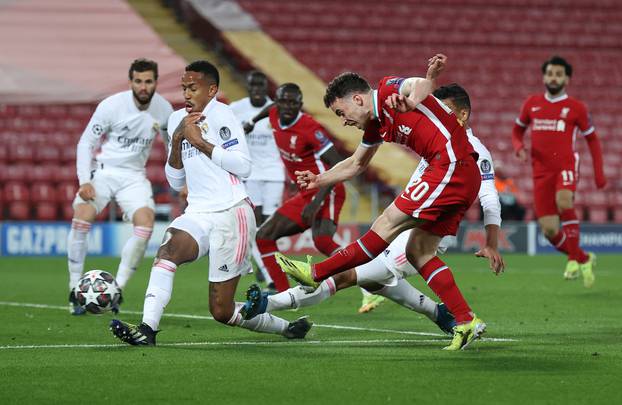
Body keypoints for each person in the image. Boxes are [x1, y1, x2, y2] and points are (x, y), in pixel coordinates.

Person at [242, 84, 504, 343]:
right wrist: (319, 179)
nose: (342, 121)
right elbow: (356, 163)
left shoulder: (396, 95)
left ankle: (278, 296)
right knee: (406, 259)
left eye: (341, 113)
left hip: (450, 176)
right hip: (433, 198)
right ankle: (458, 318)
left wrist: (416, 94)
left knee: (355, 265)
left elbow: (489, 195)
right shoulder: (381, 123)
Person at [109, 60, 311, 346]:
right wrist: (178, 139)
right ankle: (148, 329)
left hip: (232, 213)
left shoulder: (222, 115)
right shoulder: (177, 119)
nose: (187, 94)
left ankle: (287, 328)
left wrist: (201, 142)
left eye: (193, 88)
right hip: (199, 212)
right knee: (167, 252)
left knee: (222, 310)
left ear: (212, 90)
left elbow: (244, 167)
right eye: (183, 88)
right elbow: (176, 182)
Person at [67, 58, 173, 315]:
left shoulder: (164, 110)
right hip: (104, 172)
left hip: (135, 177)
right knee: (82, 215)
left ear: (156, 82)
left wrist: (181, 180)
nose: (143, 86)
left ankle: (116, 290)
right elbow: (86, 143)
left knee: (146, 223)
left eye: (148, 81)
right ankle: (74, 289)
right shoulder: (111, 106)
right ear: (131, 82)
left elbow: (172, 147)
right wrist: (85, 181)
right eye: (138, 81)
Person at [512, 55, 606, 287]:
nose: (554, 78)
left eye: (559, 74)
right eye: (550, 73)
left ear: (567, 79)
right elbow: (517, 132)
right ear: (544, 77)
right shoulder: (531, 103)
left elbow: (592, 140)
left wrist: (599, 174)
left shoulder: (577, 108)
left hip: (565, 165)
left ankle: (573, 259)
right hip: (540, 171)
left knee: (564, 201)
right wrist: (519, 147)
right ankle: (584, 257)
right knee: (550, 230)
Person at [244, 83, 346, 293]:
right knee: (264, 236)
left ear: (300, 105)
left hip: (327, 190)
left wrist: (315, 203)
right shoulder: (273, 113)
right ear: (277, 103)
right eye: (284, 102)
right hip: (306, 192)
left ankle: (372, 284)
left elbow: (337, 164)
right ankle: (282, 294)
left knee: (323, 241)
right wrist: (253, 121)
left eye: (294, 103)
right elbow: (268, 109)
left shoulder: (310, 128)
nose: (288, 106)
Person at [230, 71, 285, 288]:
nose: (256, 90)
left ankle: (266, 265)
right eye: (253, 86)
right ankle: (268, 272)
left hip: (273, 173)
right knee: (254, 224)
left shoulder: (274, 109)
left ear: (265, 88)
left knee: (269, 228)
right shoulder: (236, 108)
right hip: (250, 173)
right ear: (248, 86)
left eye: (260, 86)